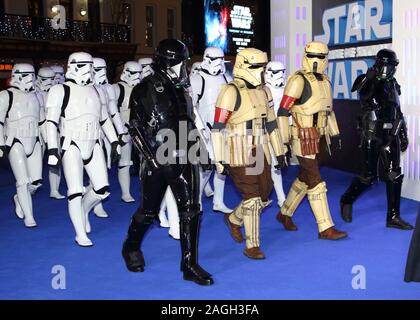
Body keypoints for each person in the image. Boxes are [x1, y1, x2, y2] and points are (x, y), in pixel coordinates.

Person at [121, 39, 213, 286]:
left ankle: (189, 264)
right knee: (149, 211)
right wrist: (149, 158)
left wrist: (201, 153)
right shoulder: (144, 88)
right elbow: (135, 127)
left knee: (191, 210)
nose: (184, 66)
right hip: (157, 155)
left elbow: (188, 122)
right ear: (170, 62)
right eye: (181, 62)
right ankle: (130, 248)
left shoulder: (183, 87)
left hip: (183, 153)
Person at [211, 48, 287, 259]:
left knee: (263, 195)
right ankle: (252, 245)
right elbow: (217, 127)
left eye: (263, 67)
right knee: (252, 198)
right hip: (238, 150)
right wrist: (219, 160)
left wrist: (279, 152)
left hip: (261, 149)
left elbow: (271, 124)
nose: (261, 72)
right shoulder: (230, 91)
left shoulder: (265, 91)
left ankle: (234, 219)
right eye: (257, 67)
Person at [46, 52, 120, 246]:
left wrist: (114, 141)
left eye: (90, 65)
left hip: (93, 142)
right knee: (75, 191)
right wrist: (53, 149)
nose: (88, 70)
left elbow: (104, 118)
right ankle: (80, 233)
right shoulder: (59, 90)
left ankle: (84, 210)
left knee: (102, 189)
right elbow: (51, 122)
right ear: (72, 66)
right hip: (71, 144)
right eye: (83, 65)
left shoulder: (97, 90)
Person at [276, 41, 348, 240]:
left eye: (321, 56)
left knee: (305, 177)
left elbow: (328, 112)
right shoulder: (298, 80)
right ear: (306, 55)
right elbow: (283, 111)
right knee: (316, 182)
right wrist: (283, 142)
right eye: (313, 56)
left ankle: (285, 213)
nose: (317, 61)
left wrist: (335, 134)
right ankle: (325, 227)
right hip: (303, 136)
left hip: (321, 136)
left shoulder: (325, 80)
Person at [340, 49, 413, 230]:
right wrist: (369, 77)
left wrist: (402, 134)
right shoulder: (367, 81)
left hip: (391, 134)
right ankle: (347, 199)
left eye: (390, 66)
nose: (387, 69)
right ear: (378, 63)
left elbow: (398, 111)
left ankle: (393, 217)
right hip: (372, 134)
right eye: (384, 64)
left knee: (394, 175)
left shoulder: (393, 84)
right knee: (368, 176)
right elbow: (363, 93)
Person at [190, 46, 233, 214]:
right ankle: (196, 201)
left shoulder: (225, 77)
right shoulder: (197, 79)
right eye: (216, 59)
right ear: (207, 59)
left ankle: (218, 201)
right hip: (204, 131)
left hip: (222, 129)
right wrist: (200, 129)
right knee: (205, 168)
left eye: (222, 59)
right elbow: (191, 107)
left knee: (222, 166)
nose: (219, 63)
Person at [0, 63, 43, 227]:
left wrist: (51, 142)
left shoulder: (37, 96)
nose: (30, 79)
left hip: (34, 140)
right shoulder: (5, 96)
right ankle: (29, 216)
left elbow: (43, 121)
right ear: (16, 75)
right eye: (26, 75)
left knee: (36, 182)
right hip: (15, 140)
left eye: (32, 75)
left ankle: (19, 197)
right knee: (23, 181)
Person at [91, 57, 127, 218]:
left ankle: (96, 200)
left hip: (105, 133)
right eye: (97, 70)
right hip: (86, 135)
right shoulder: (84, 89)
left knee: (103, 168)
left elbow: (114, 112)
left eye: (103, 69)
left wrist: (121, 132)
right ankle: (87, 197)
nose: (101, 73)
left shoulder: (108, 89)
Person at [113, 61, 142, 203]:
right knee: (124, 162)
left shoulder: (142, 88)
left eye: (139, 73)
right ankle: (126, 192)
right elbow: (113, 112)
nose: (137, 76)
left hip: (140, 129)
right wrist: (120, 131)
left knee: (147, 161)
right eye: (133, 73)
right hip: (124, 129)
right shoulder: (118, 89)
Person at [36, 66, 65, 200]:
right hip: (37, 132)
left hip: (55, 131)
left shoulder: (58, 92)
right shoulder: (34, 93)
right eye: (45, 79)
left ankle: (54, 189)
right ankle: (29, 186)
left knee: (55, 160)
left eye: (51, 79)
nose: (49, 82)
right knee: (35, 164)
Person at [264, 61, 287, 208]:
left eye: (282, 71)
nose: (280, 75)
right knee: (273, 164)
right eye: (276, 72)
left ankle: (280, 198)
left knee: (277, 164)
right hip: (267, 130)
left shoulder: (286, 89)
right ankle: (281, 198)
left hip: (282, 129)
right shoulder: (264, 91)